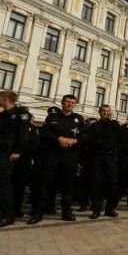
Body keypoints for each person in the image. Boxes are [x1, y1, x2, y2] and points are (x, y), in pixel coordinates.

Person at [32, 95, 85, 224]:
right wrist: (58, 139)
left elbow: (85, 135)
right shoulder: (52, 117)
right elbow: (44, 132)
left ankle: (66, 211)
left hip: (69, 156)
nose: (70, 104)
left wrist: (74, 141)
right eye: (67, 102)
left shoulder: (79, 118)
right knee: (47, 183)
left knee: (68, 184)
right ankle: (39, 212)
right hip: (53, 154)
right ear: (62, 103)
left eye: (72, 102)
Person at [0, 91, 30, 228]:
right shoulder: (0, 116)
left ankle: (7, 216)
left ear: (5, 99)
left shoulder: (21, 113)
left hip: (7, 154)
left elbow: (23, 134)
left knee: (3, 185)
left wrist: (18, 151)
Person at [85, 105, 122, 219]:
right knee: (95, 183)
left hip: (111, 158)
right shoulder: (94, 126)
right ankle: (96, 209)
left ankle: (109, 209)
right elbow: (89, 141)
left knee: (112, 182)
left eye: (107, 111)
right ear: (99, 112)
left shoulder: (114, 125)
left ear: (110, 112)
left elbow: (120, 140)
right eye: (103, 111)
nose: (106, 113)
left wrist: (116, 152)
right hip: (97, 157)